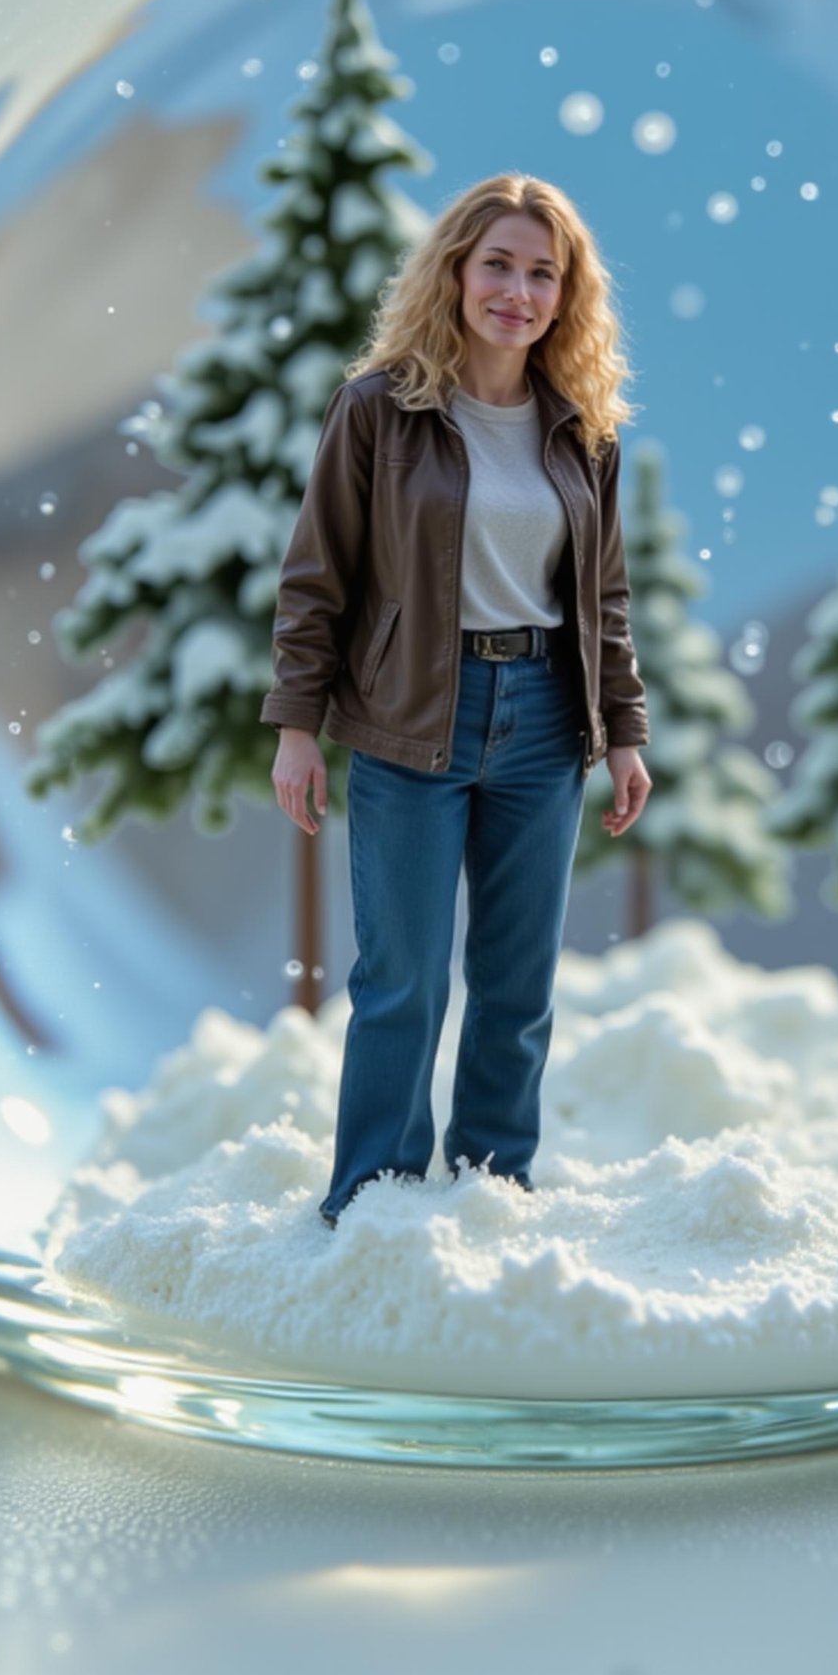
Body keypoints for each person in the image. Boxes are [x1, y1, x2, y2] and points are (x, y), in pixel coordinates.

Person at [261, 174, 652, 1225]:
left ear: (565, 296)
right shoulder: (377, 411)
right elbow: (317, 580)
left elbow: (602, 598)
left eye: (541, 273)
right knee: (403, 981)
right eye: (497, 265)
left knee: (516, 989)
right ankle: (373, 1202)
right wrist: (295, 728)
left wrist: (623, 731)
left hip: (541, 718)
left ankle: (491, 1195)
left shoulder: (583, 431)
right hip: (407, 717)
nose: (516, 291)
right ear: (453, 272)